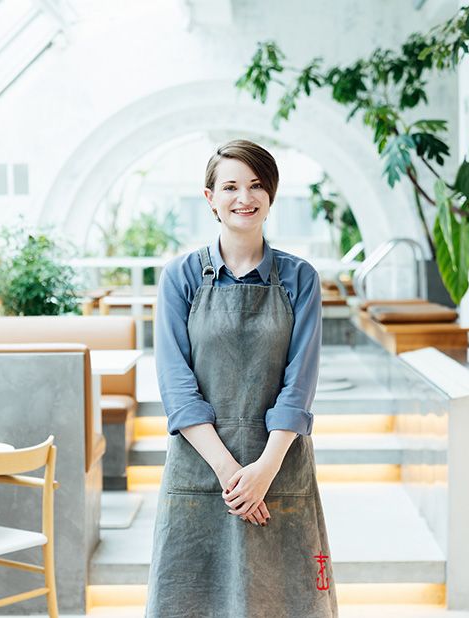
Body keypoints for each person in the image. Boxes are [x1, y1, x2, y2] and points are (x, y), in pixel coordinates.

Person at [145, 139, 339, 617]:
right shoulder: (180, 278)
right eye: (229, 186)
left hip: (279, 467)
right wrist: (234, 476)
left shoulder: (300, 279)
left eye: (255, 185)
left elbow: (299, 386)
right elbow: (177, 388)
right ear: (209, 197)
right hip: (201, 469)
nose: (243, 197)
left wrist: (265, 470)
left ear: (270, 195)